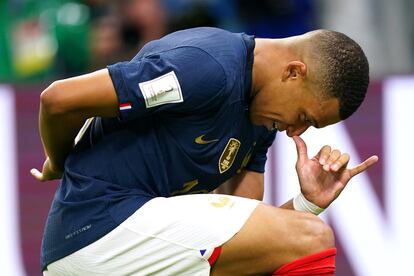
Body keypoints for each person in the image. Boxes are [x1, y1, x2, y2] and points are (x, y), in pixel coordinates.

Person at [31, 27, 378, 275]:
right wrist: (59, 162)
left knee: (297, 235)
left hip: (124, 250)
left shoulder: (260, 122)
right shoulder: (206, 68)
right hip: (98, 230)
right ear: (293, 72)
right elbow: (59, 99)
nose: (295, 130)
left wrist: (307, 204)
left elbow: (250, 248)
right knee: (311, 237)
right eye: (304, 117)